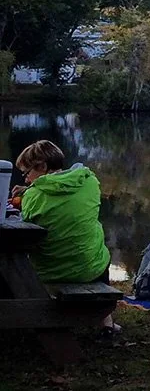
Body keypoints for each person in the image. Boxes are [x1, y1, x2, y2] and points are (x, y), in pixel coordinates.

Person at [11, 140, 118, 331]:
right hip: (90, 269)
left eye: (27, 173)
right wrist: (29, 191)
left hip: (52, 273)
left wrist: (26, 196)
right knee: (97, 247)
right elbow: (60, 189)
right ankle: (106, 322)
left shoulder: (33, 197)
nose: (26, 180)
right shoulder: (90, 182)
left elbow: (29, 224)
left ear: (42, 166)